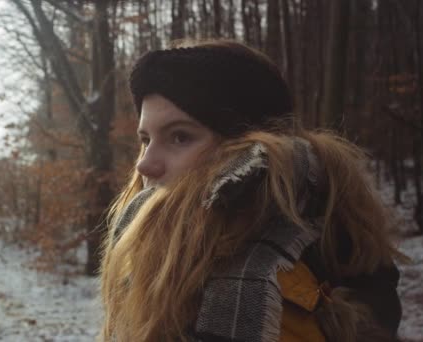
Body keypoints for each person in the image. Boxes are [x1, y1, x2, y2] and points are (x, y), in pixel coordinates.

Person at [99, 39, 405, 342]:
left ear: (253, 153)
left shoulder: (265, 296)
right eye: (145, 140)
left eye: (180, 137)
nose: (145, 164)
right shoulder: (165, 264)